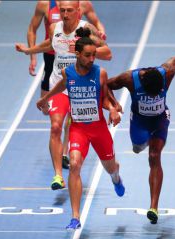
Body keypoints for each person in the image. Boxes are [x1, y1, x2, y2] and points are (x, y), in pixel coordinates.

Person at [16, 1, 112, 191]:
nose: (65, 14)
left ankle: (106, 169)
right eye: (62, 11)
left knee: (75, 125)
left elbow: (107, 53)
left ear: (78, 11)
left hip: (79, 87)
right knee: (55, 126)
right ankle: (58, 175)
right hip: (59, 84)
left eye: (69, 10)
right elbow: (49, 44)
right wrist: (29, 50)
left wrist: (83, 52)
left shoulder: (86, 29)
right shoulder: (54, 27)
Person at [36, 34, 124, 230]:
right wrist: (45, 99)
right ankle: (75, 217)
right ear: (77, 54)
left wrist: (112, 109)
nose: (92, 59)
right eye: (88, 55)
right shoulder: (68, 73)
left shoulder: (100, 73)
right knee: (74, 164)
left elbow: (106, 96)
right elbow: (61, 86)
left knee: (110, 167)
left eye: (94, 55)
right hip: (78, 129)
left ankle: (116, 178)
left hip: (98, 129)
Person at [107, 51, 175, 224]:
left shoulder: (167, 71)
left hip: (160, 120)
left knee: (154, 156)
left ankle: (153, 207)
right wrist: (114, 105)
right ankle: (139, 144)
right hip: (139, 121)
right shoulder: (129, 78)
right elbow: (105, 85)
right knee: (137, 148)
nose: (153, 97)